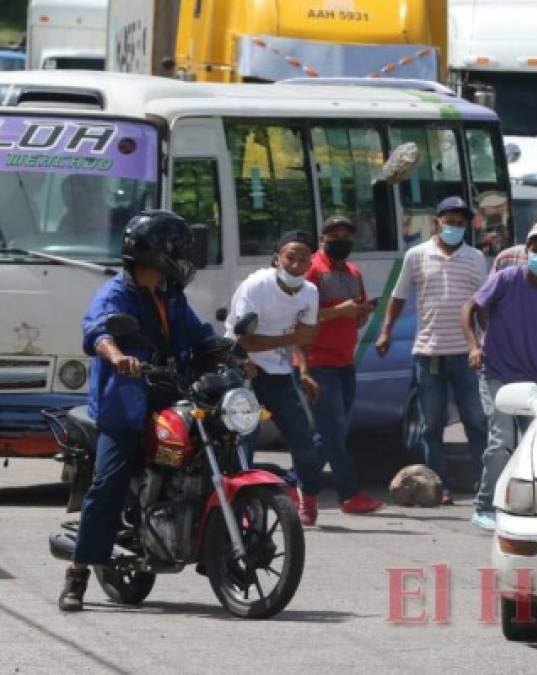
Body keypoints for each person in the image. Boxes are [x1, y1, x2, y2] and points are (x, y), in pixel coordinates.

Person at [59, 210, 215, 612]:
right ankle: (77, 574)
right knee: (109, 482)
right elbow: (98, 333)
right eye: (178, 249)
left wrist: (231, 350)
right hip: (123, 404)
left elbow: (200, 335)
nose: (185, 257)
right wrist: (118, 357)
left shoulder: (171, 295)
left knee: (219, 441)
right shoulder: (116, 294)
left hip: (170, 394)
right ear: (157, 252)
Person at [462, 222, 537, 530]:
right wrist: (474, 346)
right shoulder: (505, 279)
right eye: (535, 250)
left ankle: (529, 503)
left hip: (532, 377)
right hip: (495, 370)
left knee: (536, 442)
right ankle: (484, 505)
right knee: (501, 439)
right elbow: (470, 307)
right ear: (526, 251)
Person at [376, 196, 489, 505]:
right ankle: (440, 486)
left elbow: (482, 304)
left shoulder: (476, 258)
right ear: (437, 221)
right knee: (431, 426)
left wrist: (485, 340)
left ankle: (484, 484)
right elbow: (398, 297)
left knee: (476, 422)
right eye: (449, 221)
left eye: (460, 222)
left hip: (466, 354)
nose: (454, 226)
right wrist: (385, 331)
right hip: (428, 353)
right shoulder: (416, 255)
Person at [225, 230, 325, 526]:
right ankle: (241, 508)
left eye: (303, 259)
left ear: (311, 262)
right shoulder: (257, 285)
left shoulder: (310, 293)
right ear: (277, 258)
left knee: (305, 440)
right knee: (243, 442)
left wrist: (303, 370)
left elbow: (304, 339)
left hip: (279, 373)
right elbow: (246, 341)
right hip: (243, 368)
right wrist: (294, 336)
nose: (295, 265)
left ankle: (307, 498)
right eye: (290, 258)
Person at [301, 215, 383, 515]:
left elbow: (355, 313)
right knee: (334, 432)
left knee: (330, 434)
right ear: (322, 239)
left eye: (345, 236)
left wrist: (361, 313)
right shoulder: (311, 270)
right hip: (318, 362)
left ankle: (298, 485)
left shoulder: (353, 272)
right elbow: (303, 317)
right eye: (334, 236)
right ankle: (348, 495)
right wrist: (339, 311)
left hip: (346, 361)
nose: (341, 241)